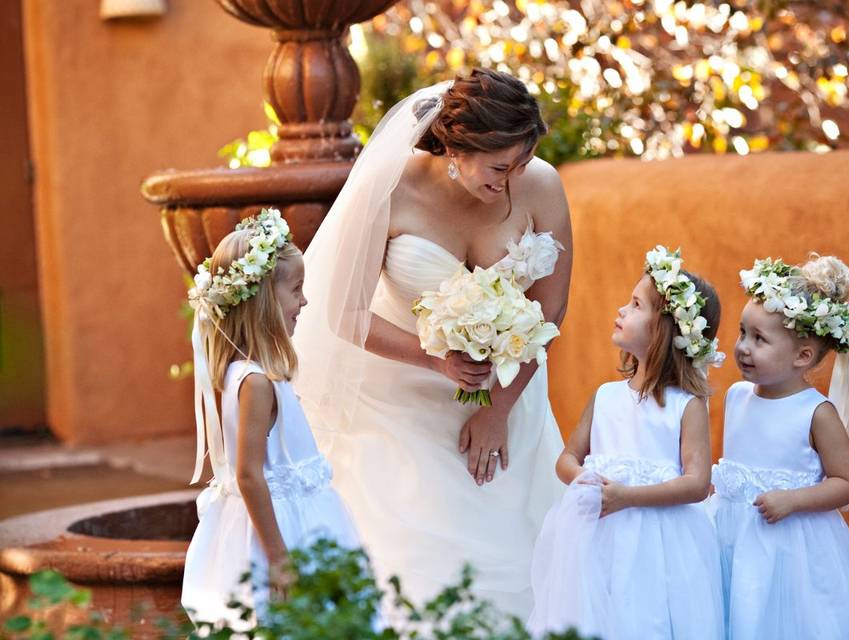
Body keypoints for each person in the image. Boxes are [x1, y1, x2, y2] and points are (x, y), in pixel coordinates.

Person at [292, 69, 573, 617]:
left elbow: (551, 308)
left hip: (509, 394)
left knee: (516, 556)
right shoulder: (393, 188)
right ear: (457, 146)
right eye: (500, 166)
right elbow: (343, 314)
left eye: (521, 163)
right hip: (396, 400)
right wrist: (435, 359)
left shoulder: (542, 184)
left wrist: (497, 409)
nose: (513, 180)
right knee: (414, 561)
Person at [528, 246, 725, 639]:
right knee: (596, 614)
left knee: (646, 618)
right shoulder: (605, 396)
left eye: (635, 305)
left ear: (664, 330)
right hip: (598, 534)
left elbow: (697, 482)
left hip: (661, 544)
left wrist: (627, 497)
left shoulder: (687, 406)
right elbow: (567, 457)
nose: (621, 309)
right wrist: (583, 479)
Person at [181, 209, 360, 626]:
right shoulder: (256, 382)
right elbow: (248, 474)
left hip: (282, 514)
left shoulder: (243, 372)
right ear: (263, 301)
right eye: (296, 290)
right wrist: (279, 558)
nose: (305, 300)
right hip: (280, 526)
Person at [711, 253, 849, 639]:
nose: (743, 347)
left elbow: (847, 482)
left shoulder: (815, 412)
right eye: (743, 332)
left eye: (759, 339)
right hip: (730, 540)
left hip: (789, 550)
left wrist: (792, 500)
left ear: (803, 356)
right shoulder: (735, 395)